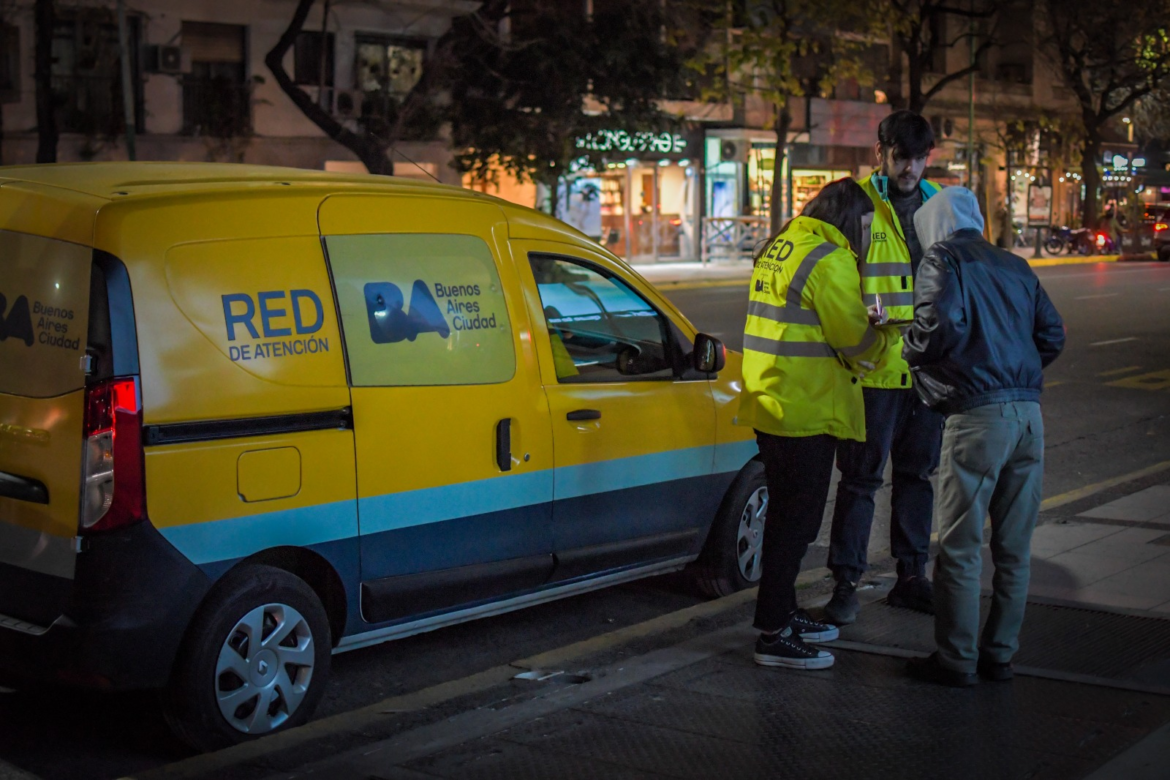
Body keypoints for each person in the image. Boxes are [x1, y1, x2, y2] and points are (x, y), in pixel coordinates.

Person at [902, 187, 1065, 687]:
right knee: (1014, 547)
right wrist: (1015, 373)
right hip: (1029, 416)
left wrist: (910, 347)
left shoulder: (942, 257)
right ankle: (1000, 655)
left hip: (977, 416)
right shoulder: (1016, 264)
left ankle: (956, 659)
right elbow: (1052, 335)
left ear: (934, 226)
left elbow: (934, 328)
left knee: (961, 546)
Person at [739, 179, 901, 670]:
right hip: (806, 409)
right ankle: (773, 631)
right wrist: (886, 334)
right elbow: (855, 343)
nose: (863, 239)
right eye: (864, 228)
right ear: (848, 219)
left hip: (773, 401)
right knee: (796, 524)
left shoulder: (781, 246)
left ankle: (784, 613)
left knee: (789, 517)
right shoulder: (828, 260)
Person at [824, 110, 946, 626]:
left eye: (919, 158)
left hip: (924, 369)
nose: (909, 168)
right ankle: (845, 585)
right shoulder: (857, 204)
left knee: (918, 476)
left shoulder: (941, 205)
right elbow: (830, 274)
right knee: (860, 481)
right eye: (901, 157)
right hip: (873, 371)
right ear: (881, 152)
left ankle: (912, 576)